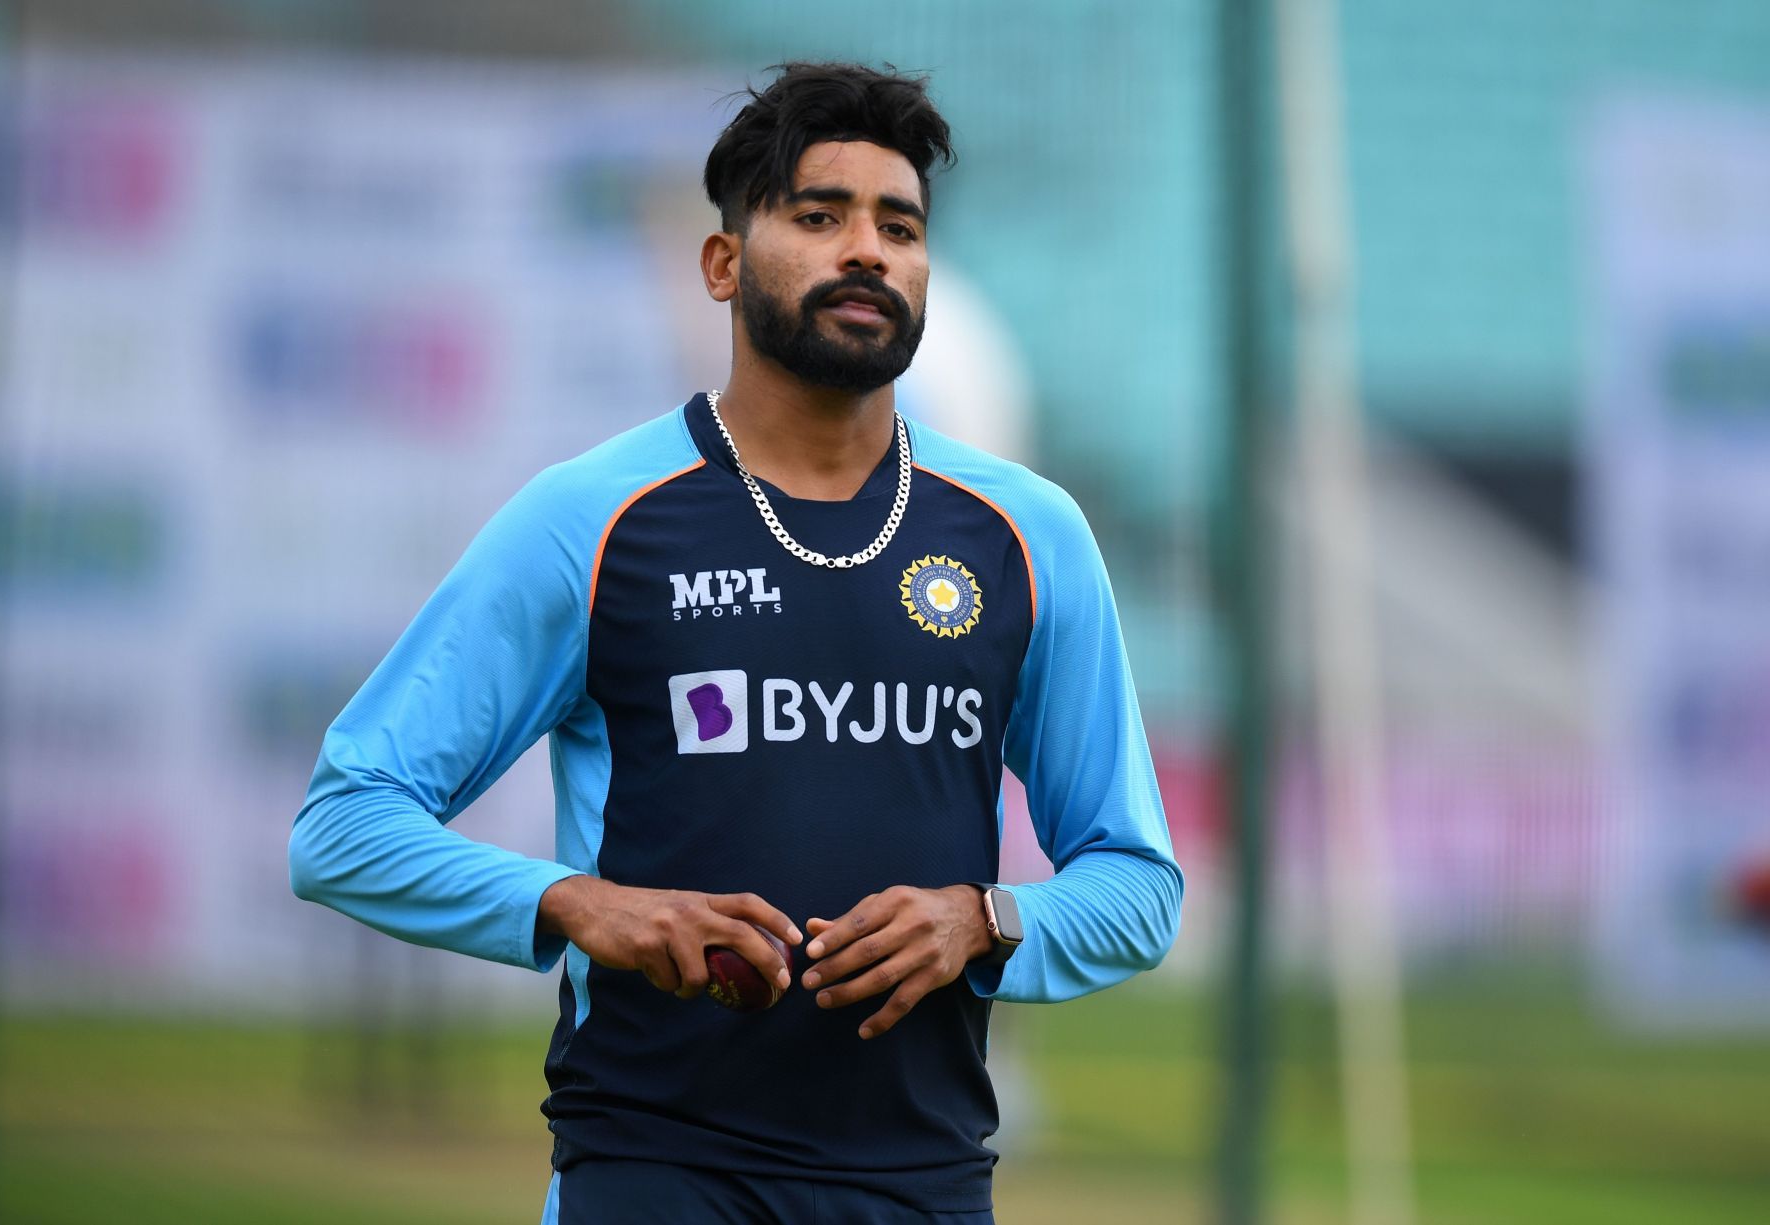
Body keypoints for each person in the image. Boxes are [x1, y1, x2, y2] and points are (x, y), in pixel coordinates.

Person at [289, 61, 1182, 1225]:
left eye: (897, 226)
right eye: (820, 216)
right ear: (723, 264)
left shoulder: (1030, 537)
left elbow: (1138, 884)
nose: (866, 249)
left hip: (923, 1185)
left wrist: (986, 915)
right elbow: (343, 825)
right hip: (654, 1173)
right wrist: (586, 906)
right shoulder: (595, 518)